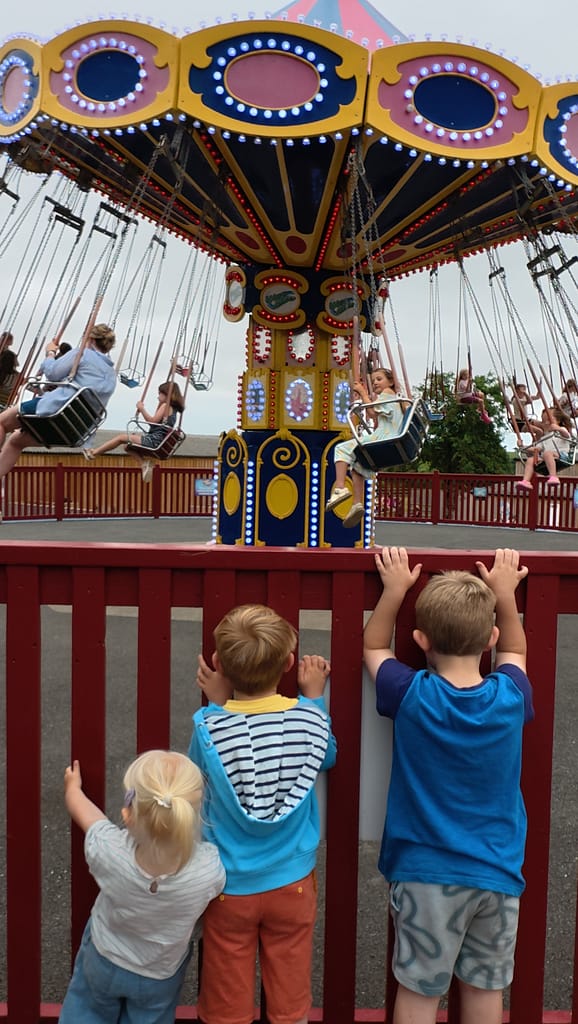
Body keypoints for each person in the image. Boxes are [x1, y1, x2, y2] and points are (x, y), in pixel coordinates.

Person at [363, 546, 533, 1024]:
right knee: (484, 991)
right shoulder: (510, 696)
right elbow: (516, 651)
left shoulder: (411, 693)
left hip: (425, 873)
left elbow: (374, 647)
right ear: (490, 639)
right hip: (496, 872)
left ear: (420, 640)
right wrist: (504, 594)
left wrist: (394, 590)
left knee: (418, 991)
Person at [188, 603, 337, 1024]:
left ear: (219, 664)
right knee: (290, 992)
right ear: (289, 663)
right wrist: (313, 699)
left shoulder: (208, 726)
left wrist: (218, 705)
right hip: (291, 883)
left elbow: (199, 773)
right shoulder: (308, 721)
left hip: (228, 887)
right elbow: (327, 755)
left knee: (226, 993)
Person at [59, 749, 225, 1024]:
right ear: (190, 817)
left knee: (87, 1011)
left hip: (104, 958)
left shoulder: (109, 850)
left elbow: (84, 812)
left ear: (129, 814)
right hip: (159, 974)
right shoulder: (207, 869)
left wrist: (73, 787)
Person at [0, 322, 117, 482]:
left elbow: (53, 373)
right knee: (15, 442)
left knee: (2, 423)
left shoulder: (82, 353)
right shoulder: (111, 373)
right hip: (75, 429)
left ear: (89, 339)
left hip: (56, 410)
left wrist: (50, 353)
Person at [325, 367, 403, 528]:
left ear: (390, 382)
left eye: (379, 379)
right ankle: (356, 504)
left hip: (383, 438)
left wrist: (362, 392)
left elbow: (372, 413)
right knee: (358, 468)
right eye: (373, 379)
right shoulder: (394, 398)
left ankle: (340, 488)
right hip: (389, 440)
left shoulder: (388, 394)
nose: (375, 382)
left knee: (341, 448)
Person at [84, 380, 185, 483]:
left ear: (167, 394)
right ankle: (144, 464)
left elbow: (152, 421)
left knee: (121, 438)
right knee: (127, 446)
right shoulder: (174, 410)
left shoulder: (165, 406)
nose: (158, 396)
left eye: (160, 393)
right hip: (158, 440)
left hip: (155, 441)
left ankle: (94, 453)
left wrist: (141, 409)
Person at [516, 406, 573, 488]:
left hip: (562, 456)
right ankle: (526, 481)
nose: (546, 423)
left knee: (547, 453)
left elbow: (567, 435)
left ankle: (553, 476)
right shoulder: (544, 438)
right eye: (543, 421)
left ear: (558, 421)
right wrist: (522, 446)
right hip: (547, 457)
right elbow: (536, 449)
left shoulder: (561, 430)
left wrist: (558, 429)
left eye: (549, 420)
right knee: (530, 459)